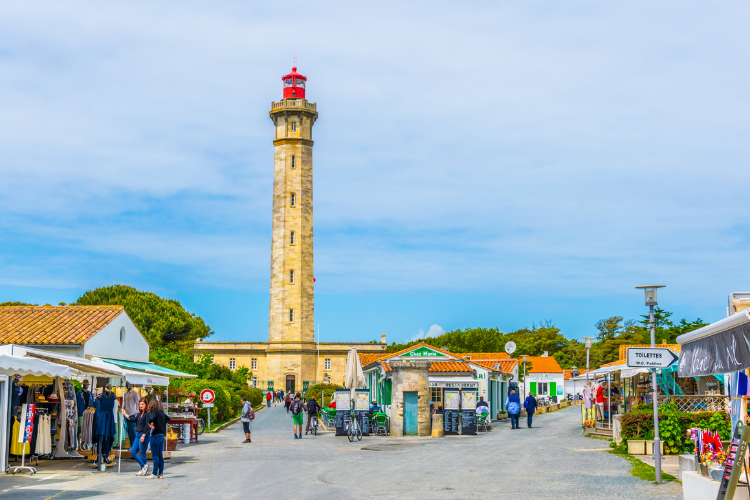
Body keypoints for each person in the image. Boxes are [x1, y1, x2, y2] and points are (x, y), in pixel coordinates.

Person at [121, 397, 150, 476]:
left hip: (144, 435)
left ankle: (143, 469)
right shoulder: (139, 414)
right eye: (140, 404)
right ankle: (143, 466)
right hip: (138, 435)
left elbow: (148, 426)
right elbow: (132, 419)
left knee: (142, 453)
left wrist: (143, 435)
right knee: (133, 452)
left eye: (142, 404)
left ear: (146, 405)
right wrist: (125, 414)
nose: (141, 406)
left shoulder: (147, 414)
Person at [146, 398, 170, 479]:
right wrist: (162, 423)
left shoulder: (155, 412)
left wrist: (150, 424)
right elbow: (168, 418)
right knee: (160, 455)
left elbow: (151, 418)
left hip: (155, 435)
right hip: (161, 436)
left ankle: (154, 473)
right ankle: (161, 473)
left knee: (155, 455)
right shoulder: (161, 412)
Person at [123, 383, 140, 447]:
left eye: (128, 384)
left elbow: (137, 402)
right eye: (126, 384)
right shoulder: (125, 394)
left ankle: (135, 446)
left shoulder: (134, 393)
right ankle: (132, 445)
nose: (127, 385)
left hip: (132, 414)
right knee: (129, 431)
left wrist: (137, 412)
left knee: (132, 430)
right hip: (126, 414)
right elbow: (124, 403)